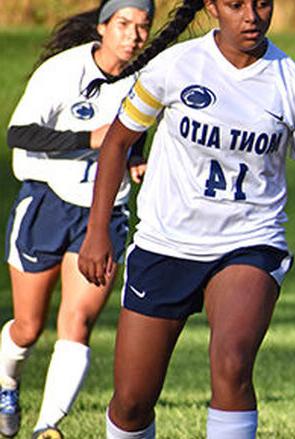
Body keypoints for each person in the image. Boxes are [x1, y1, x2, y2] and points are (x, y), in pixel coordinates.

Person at [77, 0, 295, 437]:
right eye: (236, 5)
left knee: (233, 364)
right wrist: (97, 232)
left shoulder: (292, 84)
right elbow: (117, 143)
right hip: (166, 243)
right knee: (131, 401)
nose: (251, 16)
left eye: (262, 4)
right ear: (215, 7)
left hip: (249, 242)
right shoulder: (176, 66)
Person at [1, 1, 153, 437]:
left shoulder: (145, 79)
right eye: (124, 24)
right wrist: (90, 138)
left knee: (77, 321)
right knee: (28, 327)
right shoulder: (62, 71)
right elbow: (19, 133)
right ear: (103, 27)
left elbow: (142, 127)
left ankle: (47, 427)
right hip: (47, 199)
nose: (133, 36)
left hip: (104, 213)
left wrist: (136, 159)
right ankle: (5, 381)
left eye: (143, 28)